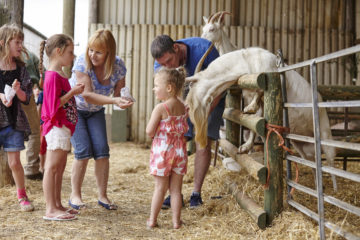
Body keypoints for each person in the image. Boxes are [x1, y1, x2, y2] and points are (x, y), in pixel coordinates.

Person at [151, 35, 224, 208]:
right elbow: (168, 95)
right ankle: (174, 194)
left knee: (202, 140)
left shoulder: (205, 49)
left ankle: (196, 195)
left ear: (176, 48)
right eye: (163, 64)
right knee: (177, 141)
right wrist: (179, 114)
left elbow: (220, 83)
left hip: (211, 96)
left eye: (169, 61)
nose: (168, 67)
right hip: (182, 96)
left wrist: (205, 112)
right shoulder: (161, 64)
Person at [68, 29, 133, 211]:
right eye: (91, 50)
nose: (92, 55)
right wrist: (114, 100)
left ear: (109, 53)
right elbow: (87, 95)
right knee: (83, 150)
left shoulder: (118, 65)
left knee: (102, 151)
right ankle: (75, 196)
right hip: (76, 109)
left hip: (95, 111)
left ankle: (103, 196)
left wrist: (125, 99)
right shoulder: (82, 62)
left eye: (98, 52)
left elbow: (120, 92)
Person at [39, 34, 85, 221]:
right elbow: (52, 107)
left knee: (59, 167)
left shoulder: (59, 74)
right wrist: (73, 92)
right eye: (70, 52)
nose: (73, 56)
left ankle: (57, 204)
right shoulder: (52, 76)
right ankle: (50, 208)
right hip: (56, 126)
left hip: (63, 127)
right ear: (58, 52)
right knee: (52, 167)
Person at [146, 66, 188, 229]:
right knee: (176, 190)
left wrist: (156, 133)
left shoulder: (161, 108)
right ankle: (176, 222)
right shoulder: (183, 107)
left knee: (160, 188)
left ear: (169, 88)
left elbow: (149, 131)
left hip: (163, 153)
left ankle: (152, 220)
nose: (154, 88)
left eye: (156, 85)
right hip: (179, 152)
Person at [0, 23, 34, 211]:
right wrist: (2, 96)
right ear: (4, 43)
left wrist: (18, 90)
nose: (20, 46)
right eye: (17, 42)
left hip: (14, 122)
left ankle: (22, 196)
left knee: (14, 162)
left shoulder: (20, 69)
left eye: (21, 42)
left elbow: (26, 97)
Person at [22, 51, 42, 180]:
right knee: (34, 132)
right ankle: (32, 168)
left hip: (7, 96)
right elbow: (42, 76)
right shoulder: (29, 55)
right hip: (26, 95)